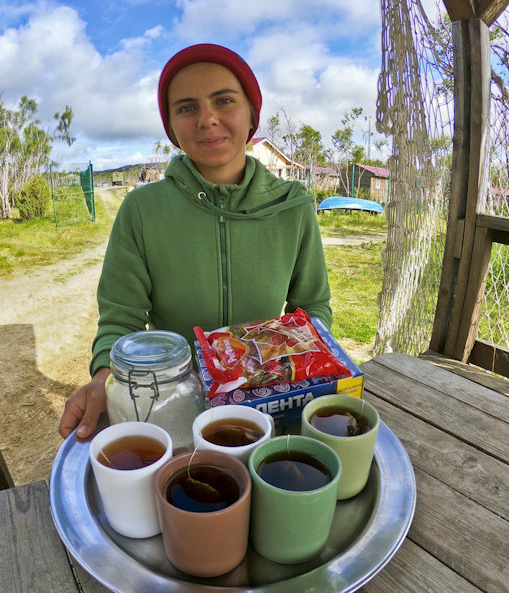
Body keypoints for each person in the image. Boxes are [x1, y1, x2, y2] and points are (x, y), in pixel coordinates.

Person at [59, 43, 333, 440]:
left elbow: (312, 308)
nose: (207, 119)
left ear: (252, 113)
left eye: (224, 100)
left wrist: (297, 368)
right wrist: (105, 377)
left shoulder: (292, 207)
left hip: (268, 404)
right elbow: (122, 317)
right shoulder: (141, 210)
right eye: (186, 107)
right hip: (172, 407)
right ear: (171, 127)